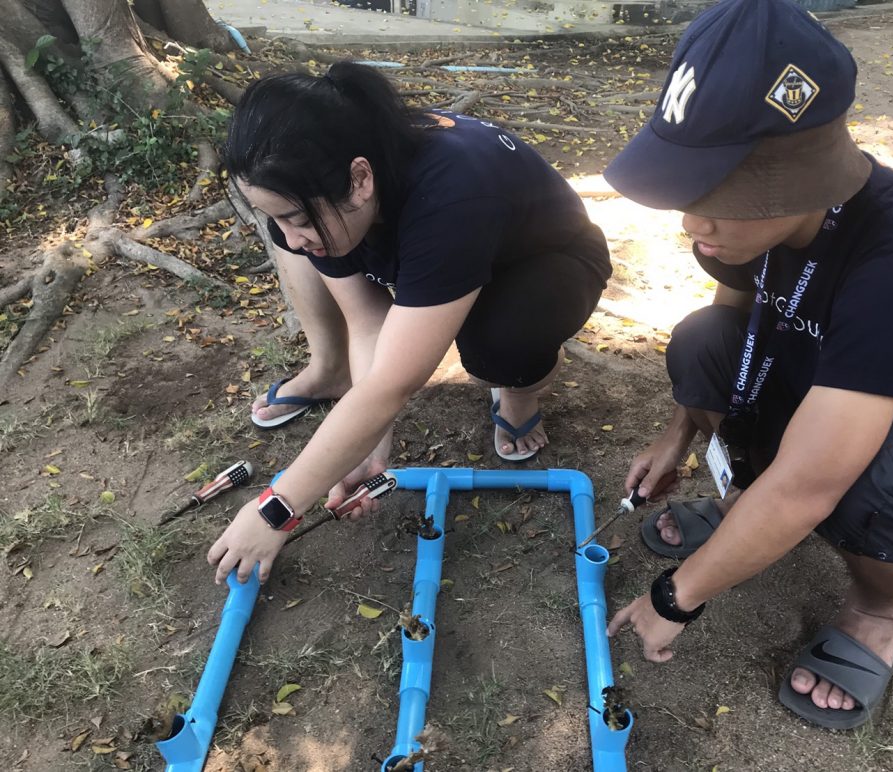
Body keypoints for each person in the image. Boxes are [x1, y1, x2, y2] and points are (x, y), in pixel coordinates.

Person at [604, 0, 893, 731]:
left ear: (795, 174)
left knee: (873, 474)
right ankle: (746, 509)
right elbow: (734, 321)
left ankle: (877, 613)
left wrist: (677, 596)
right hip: (821, 403)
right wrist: (676, 438)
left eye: (714, 196)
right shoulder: (745, 230)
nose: (690, 223)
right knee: (703, 339)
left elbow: (814, 482)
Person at [208, 62, 610, 582]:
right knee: (308, 254)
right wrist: (368, 440)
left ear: (360, 179)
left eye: (300, 218)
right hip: (445, 245)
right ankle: (328, 370)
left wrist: (276, 508)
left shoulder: (453, 196)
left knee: (497, 347)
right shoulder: (324, 171)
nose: (288, 234)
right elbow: (369, 321)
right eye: (275, 217)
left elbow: (394, 383)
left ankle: (521, 390)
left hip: (546, 261)